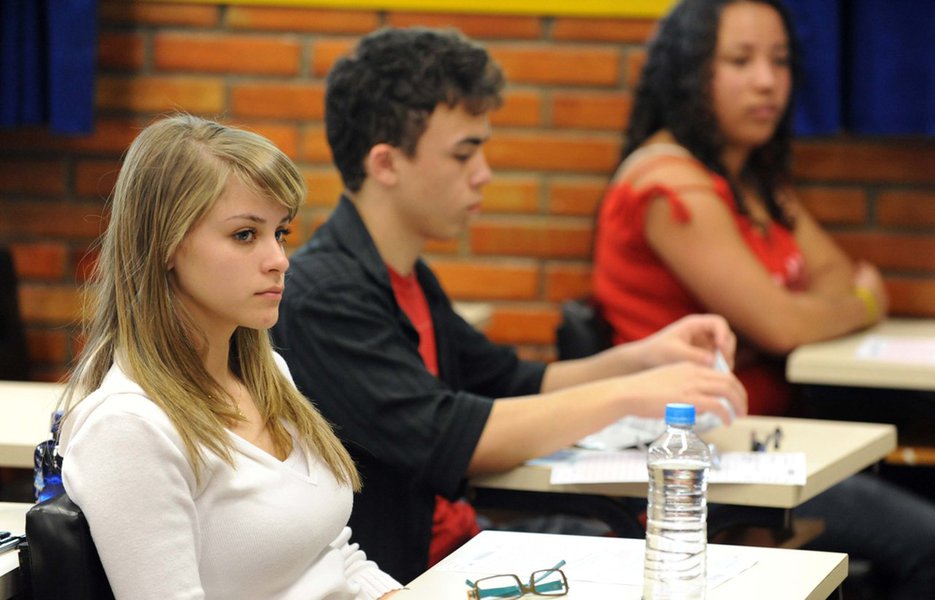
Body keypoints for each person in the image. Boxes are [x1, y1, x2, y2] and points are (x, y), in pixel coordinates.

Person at [271, 26, 748, 583]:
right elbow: (454, 437)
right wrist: (631, 395)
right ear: (386, 164)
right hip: (407, 574)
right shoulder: (325, 295)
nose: (484, 173)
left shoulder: (405, 275)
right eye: (463, 153)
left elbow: (511, 382)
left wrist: (643, 357)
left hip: (464, 545)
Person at [591, 1, 935, 599]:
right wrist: (859, 305)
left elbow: (833, 272)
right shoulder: (668, 181)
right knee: (934, 538)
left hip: (769, 443)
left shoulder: (748, 178)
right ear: (689, 73)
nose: (767, 81)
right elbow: (786, 323)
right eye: (740, 60)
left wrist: (815, 310)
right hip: (699, 468)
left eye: (780, 62)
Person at [56, 114, 404, 600]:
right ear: (167, 246)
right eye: (245, 235)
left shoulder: (267, 376)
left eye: (280, 233)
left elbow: (332, 556)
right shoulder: (130, 429)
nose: (279, 259)